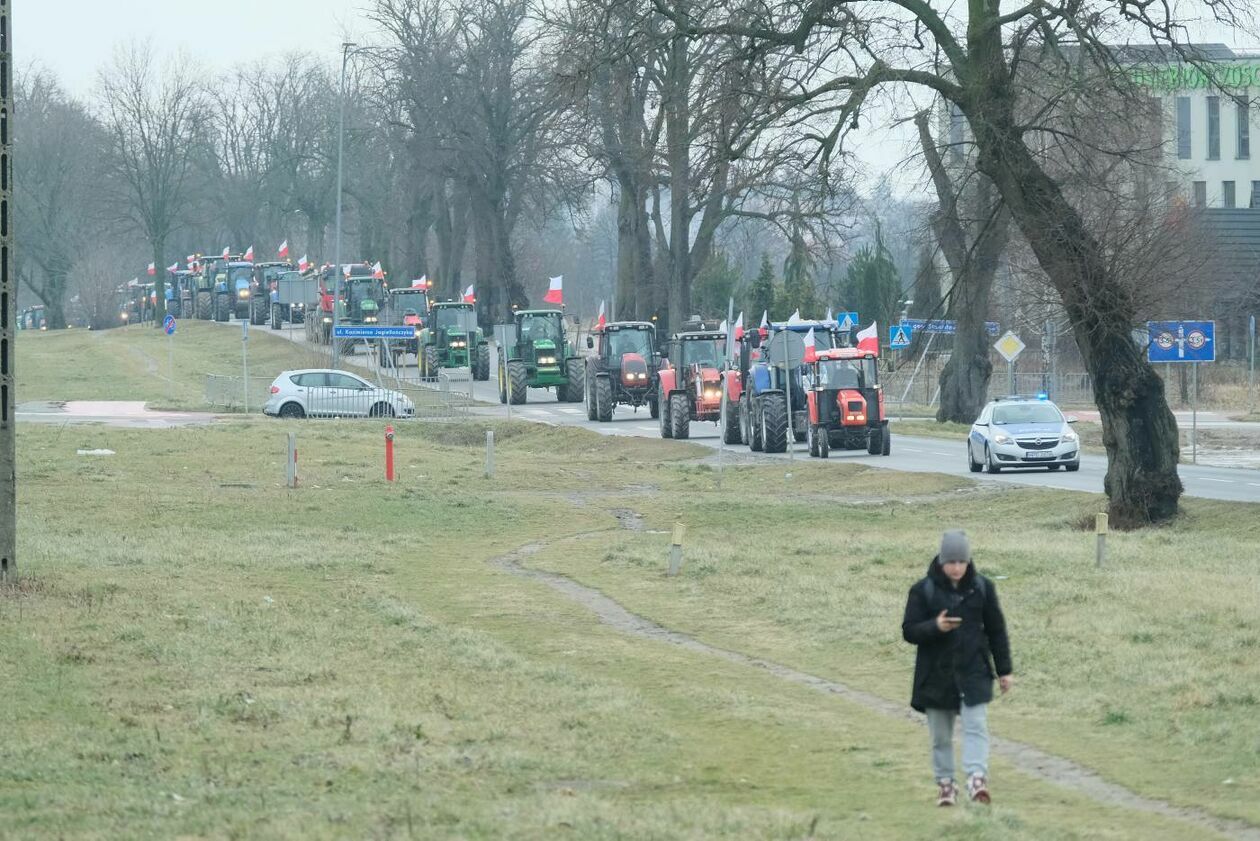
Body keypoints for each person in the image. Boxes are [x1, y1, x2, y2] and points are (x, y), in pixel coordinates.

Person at [902, 529, 1013, 806]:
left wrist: (1004, 671)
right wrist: (935, 627)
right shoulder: (922, 591)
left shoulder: (983, 588)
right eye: (951, 562)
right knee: (941, 736)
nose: (956, 568)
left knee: (976, 726)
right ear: (941, 561)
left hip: (974, 671)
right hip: (935, 675)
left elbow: (997, 630)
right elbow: (909, 631)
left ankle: (977, 778)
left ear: (968, 561)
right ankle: (946, 784)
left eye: (961, 562)